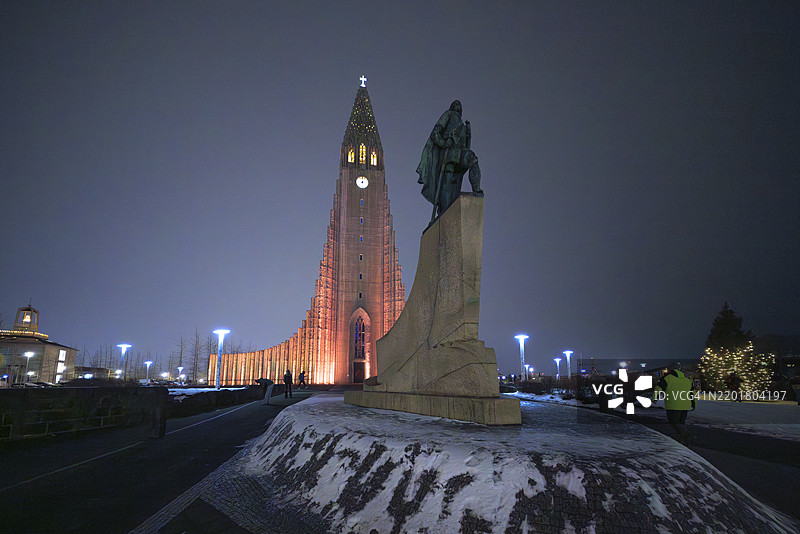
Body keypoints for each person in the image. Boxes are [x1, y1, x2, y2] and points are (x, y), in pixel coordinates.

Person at [416, 100, 483, 221]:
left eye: (459, 105)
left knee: (472, 158)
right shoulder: (448, 114)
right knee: (447, 197)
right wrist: (443, 143)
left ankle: (476, 189)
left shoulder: (462, 124)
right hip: (449, 154)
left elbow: (466, 146)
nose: (458, 105)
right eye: (456, 104)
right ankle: (443, 210)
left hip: (460, 153)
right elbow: (435, 133)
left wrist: (468, 133)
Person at [654, 362, 695, 445]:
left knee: (673, 422)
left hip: (673, 405)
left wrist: (654, 398)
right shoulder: (687, 380)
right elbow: (692, 393)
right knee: (681, 421)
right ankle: (682, 438)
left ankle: (686, 436)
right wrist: (693, 404)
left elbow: (658, 388)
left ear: (670, 369)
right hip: (685, 405)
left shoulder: (666, 378)